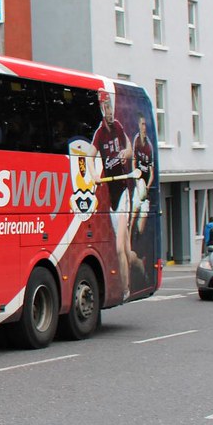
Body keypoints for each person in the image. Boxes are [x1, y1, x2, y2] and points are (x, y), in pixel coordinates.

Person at [91, 89, 137, 300]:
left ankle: (125, 288)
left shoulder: (118, 126)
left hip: (123, 191)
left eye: (111, 106)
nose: (109, 111)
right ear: (102, 110)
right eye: (106, 107)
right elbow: (89, 159)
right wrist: (95, 176)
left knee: (119, 248)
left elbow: (129, 149)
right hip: (111, 195)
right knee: (126, 248)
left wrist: (124, 154)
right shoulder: (100, 134)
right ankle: (137, 265)